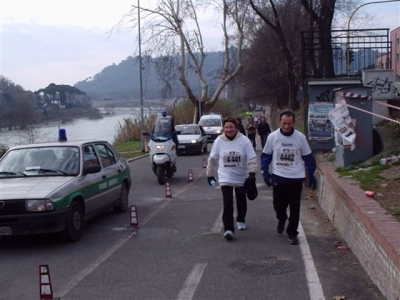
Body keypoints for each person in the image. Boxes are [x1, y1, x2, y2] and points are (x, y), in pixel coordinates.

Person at [260, 109, 317, 245]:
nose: (286, 126)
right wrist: (265, 172)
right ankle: (281, 218)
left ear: (294, 123)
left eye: (289, 124)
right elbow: (266, 156)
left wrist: (312, 174)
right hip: (279, 177)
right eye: (284, 123)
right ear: (280, 122)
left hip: (296, 178)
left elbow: (308, 157)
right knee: (278, 206)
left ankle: (292, 233)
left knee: (295, 208)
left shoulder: (300, 138)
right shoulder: (273, 137)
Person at [206, 117, 258, 241]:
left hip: (241, 176)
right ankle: (228, 229)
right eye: (226, 127)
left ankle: (241, 219)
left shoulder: (244, 141)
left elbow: (251, 158)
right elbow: (212, 159)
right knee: (227, 203)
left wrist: (252, 173)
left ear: (236, 128)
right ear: (223, 128)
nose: (229, 130)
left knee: (241, 200)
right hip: (225, 176)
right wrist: (210, 174)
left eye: (231, 127)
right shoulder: (219, 141)